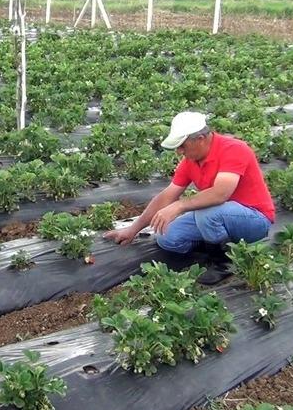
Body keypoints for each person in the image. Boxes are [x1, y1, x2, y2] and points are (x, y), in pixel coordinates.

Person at [104, 111, 275, 284]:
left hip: (255, 219)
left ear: (200, 138)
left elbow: (220, 194)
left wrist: (179, 206)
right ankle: (216, 244)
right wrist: (133, 229)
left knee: (206, 213)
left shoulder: (234, 149)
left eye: (182, 146)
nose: (179, 152)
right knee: (167, 237)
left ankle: (224, 263)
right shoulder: (190, 161)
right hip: (218, 216)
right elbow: (167, 196)